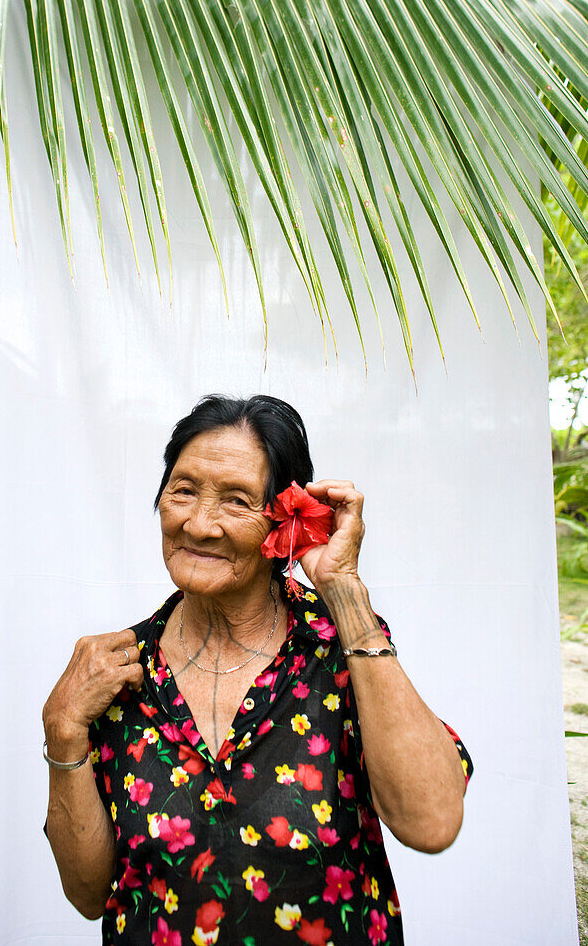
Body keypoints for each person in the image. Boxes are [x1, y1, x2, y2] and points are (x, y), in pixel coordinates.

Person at [42, 394, 472, 945]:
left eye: (237, 501)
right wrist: (62, 727)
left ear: (282, 521)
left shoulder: (341, 646)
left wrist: (345, 595)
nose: (199, 524)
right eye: (184, 491)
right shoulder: (117, 669)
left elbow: (432, 823)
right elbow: (88, 894)